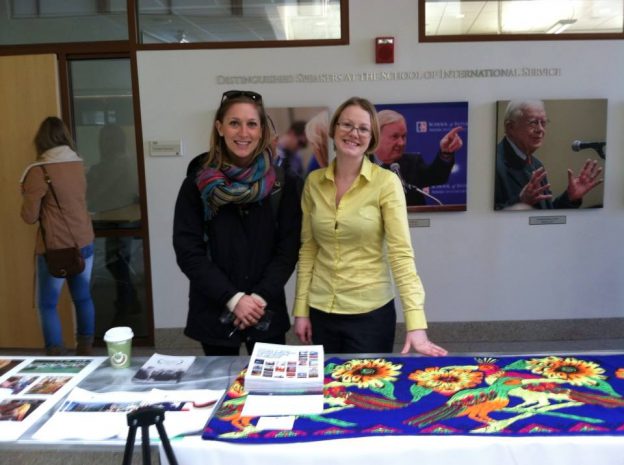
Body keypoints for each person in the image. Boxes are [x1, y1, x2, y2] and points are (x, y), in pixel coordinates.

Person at [293, 97, 447, 356]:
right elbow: (309, 249)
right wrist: (301, 310)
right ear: (334, 129)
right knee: (326, 381)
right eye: (347, 125)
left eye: (363, 128)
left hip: (370, 316)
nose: (354, 133)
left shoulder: (386, 183)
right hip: (321, 311)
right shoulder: (314, 182)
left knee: (367, 382)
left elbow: (401, 254)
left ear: (372, 137)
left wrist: (416, 323)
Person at [173, 90, 302, 356]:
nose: (243, 132)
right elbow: (188, 251)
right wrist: (233, 299)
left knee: (269, 382)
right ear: (220, 128)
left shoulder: (284, 183)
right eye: (234, 123)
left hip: (265, 309)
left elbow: (288, 249)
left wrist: (257, 299)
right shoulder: (196, 184)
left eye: (251, 124)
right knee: (220, 381)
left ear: (261, 130)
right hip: (214, 309)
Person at [20, 116, 95, 356]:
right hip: (83, 241)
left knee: (48, 303)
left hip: (55, 248)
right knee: (82, 298)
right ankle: (85, 350)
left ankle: (56, 355)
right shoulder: (78, 165)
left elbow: (29, 216)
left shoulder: (39, 171)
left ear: (41, 140)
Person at [495, 100, 603, 210]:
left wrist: (570, 197)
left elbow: (545, 213)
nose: (540, 129)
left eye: (543, 122)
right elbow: (486, 215)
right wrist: (521, 201)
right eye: (533, 123)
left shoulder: (537, 164)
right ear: (510, 127)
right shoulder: (492, 163)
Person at [87, 124, 141, 321]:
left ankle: (125, 307)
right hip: (113, 219)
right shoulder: (115, 162)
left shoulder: (119, 162)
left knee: (118, 263)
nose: (106, 143)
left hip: (122, 219)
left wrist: (93, 177)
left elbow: (100, 190)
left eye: (109, 139)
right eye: (105, 139)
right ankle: (130, 302)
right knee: (117, 263)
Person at [371, 109, 463, 206]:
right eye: (395, 136)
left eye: (404, 136)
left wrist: (446, 153)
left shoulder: (412, 163)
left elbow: (437, 177)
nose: (401, 143)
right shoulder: (361, 166)